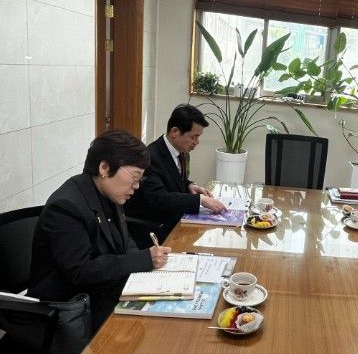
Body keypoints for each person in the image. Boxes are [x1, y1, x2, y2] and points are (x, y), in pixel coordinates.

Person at [29, 130, 171, 332]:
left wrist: (144, 266)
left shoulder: (109, 192)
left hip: (103, 291)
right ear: (104, 167)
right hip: (71, 310)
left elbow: (124, 241)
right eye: (135, 176)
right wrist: (143, 259)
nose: (137, 186)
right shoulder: (66, 206)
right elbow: (81, 271)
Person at [126, 104, 226, 241]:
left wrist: (189, 185)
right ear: (175, 132)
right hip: (157, 229)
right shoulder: (151, 158)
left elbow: (174, 179)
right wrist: (200, 200)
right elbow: (159, 199)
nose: (197, 142)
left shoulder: (179, 151)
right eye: (194, 137)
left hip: (176, 219)